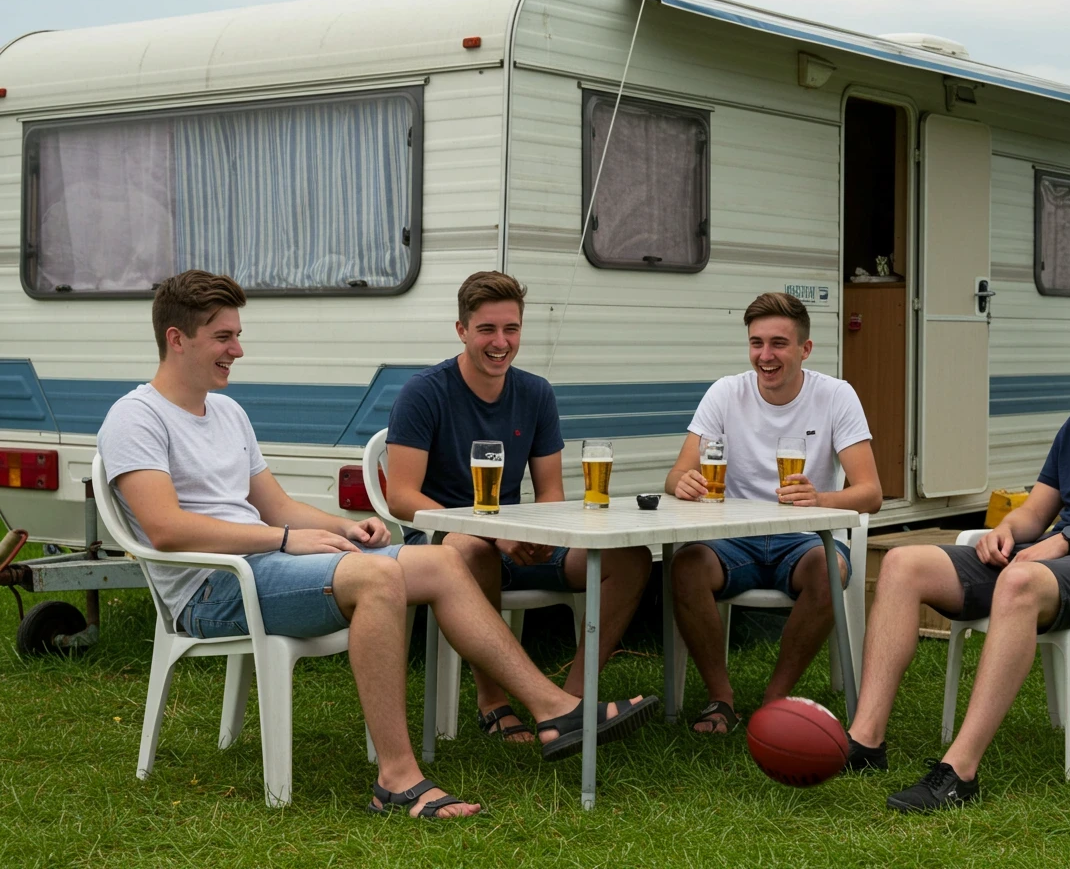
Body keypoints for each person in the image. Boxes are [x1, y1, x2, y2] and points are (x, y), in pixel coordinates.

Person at [98, 270, 657, 819]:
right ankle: (396, 779)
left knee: (439, 560)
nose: (238, 350)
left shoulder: (226, 412)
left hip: (262, 565)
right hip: (212, 588)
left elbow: (277, 504)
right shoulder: (136, 417)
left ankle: (555, 710)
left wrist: (343, 527)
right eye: (224, 337)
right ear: (177, 339)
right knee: (379, 576)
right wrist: (287, 540)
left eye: (237, 335)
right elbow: (167, 528)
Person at [846, 296, 1070, 813]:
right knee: (905, 564)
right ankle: (865, 741)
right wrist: (1003, 531)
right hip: (1049, 565)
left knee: (1020, 582)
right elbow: (1034, 514)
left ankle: (959, 772)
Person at [385, 271, 652, 742]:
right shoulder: (423, 392)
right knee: (472, 549)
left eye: (511, 329)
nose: (500, 342)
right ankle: (494, 702)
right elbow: (401, 497)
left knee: (630, 558)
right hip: (448, 542)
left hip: (518, 537)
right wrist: (495, 534)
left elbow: (550, 492)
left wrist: (535, 533)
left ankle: (572, 702)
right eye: (487, 329)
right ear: (462, 330)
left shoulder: (535, 392)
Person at [663, 292, 883, 733]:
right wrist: (681, 483)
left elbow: (870, 492)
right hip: (732, 538)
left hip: (804, 539)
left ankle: (775, 700)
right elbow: (676, 475)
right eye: (756, 343)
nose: (765, 356)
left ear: (805, 349)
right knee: (685, 567)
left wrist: (820, 498)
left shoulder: (836, 395)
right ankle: (720, 699)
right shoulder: (727, 392)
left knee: (828, 571)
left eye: (779, 344)